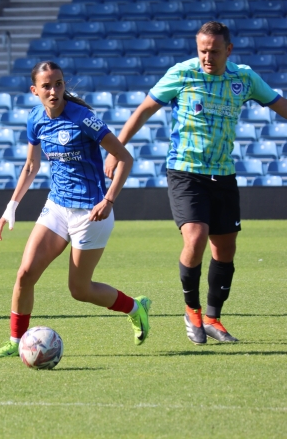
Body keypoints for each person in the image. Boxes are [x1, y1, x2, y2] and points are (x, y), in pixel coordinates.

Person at [105, 21, 287, 345]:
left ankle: (213, 318)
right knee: (197, 235)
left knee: (226, 249)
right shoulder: (182, 74)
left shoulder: (243, 78)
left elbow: (278, 104)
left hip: (223, 173)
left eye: (214, 51)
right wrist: (116, 150)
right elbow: (144, 110)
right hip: (185, 171)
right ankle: (192, 311)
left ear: (228, 51)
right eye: (202, 50)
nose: (207, 57)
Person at [0, 60, 152, 359]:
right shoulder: (35, 118)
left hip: (91, 212)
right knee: (24, 274)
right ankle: (15, 341)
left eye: (58, 84)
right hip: (57, 206)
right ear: (34, 90)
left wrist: (109, 200)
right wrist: (11, 205)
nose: (54, 91)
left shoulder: (83, 119)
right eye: (47, 86)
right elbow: (31, 166)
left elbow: (124, 158)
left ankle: (135, 307)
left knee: (80, 290)